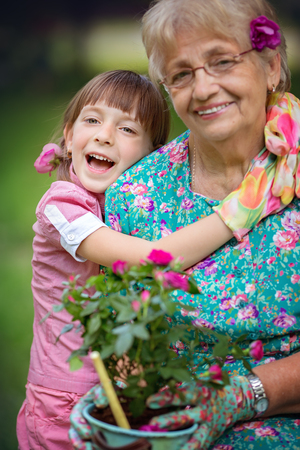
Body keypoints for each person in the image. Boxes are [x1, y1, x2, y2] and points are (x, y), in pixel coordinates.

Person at [70, 1, 300, 449]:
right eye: (181, 74)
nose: (204, 88)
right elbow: (124, 348)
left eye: (221, 61)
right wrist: (121, 419)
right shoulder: (135, 192)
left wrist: (241, 395)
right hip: (175, 429)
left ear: (271, 66)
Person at [17, 68, 272, 450]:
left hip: (120, 391)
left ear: (150, 158)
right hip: (63, 397)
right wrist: (238, 212)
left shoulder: (128, 207)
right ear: (69, 137)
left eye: (127, 129)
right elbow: (155, 259)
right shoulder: (61, 206)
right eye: (92, 120)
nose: (104, 134)